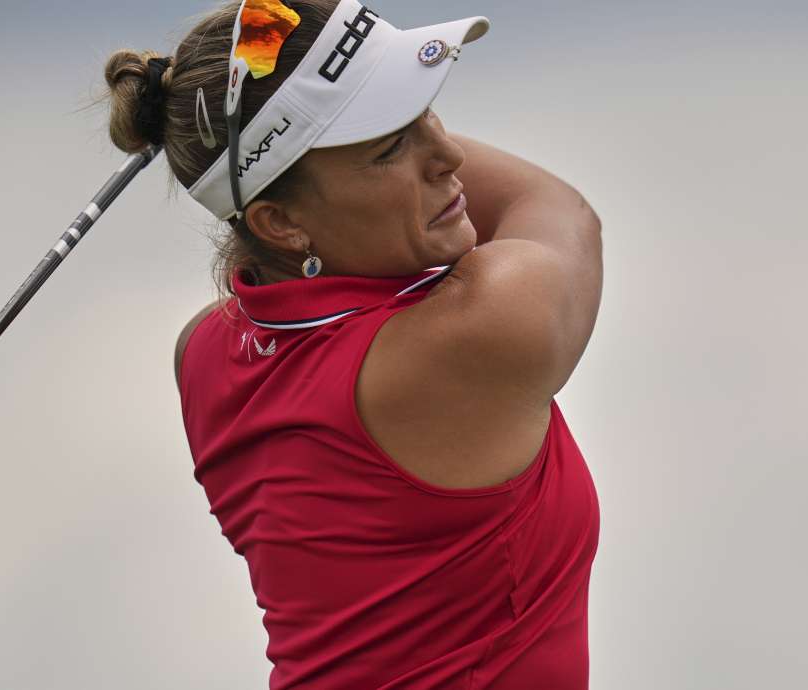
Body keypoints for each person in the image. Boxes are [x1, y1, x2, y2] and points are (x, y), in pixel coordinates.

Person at [101, 0, 602, 687]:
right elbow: (562, 210)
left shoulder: (205, 352)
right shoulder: (477, 328)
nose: (449, 155)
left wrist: (346, 105)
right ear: (280, 222)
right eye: (389, 146)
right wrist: (342, 90)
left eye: (427, 111)